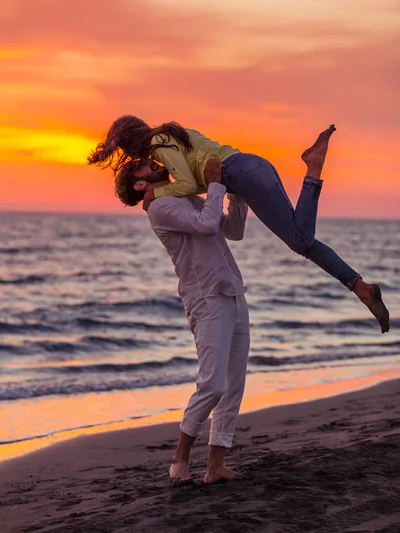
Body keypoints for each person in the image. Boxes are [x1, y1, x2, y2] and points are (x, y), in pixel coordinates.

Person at [88, 116, 390, 333]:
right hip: (250, 168)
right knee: (303, 243)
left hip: (243, 174)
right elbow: (198, 181)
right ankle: (360, 287)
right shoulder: (171, 133)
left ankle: (313, 167)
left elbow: (187, 182)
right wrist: (216, 189)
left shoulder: (159, 144)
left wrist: (155, 192)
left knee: (299, 238)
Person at [114, 157, 250, 486]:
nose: (150, 161)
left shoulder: (183, 195)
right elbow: (205, 225)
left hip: (231, 289)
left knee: (234, 387)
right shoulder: (161, 209)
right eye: (140, 166)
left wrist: (238, 195)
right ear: (140, 185)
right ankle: (180, 459)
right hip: (206, 298)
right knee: (213, 385)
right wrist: (216, 185)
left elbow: (232, 230)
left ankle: (215, 466)